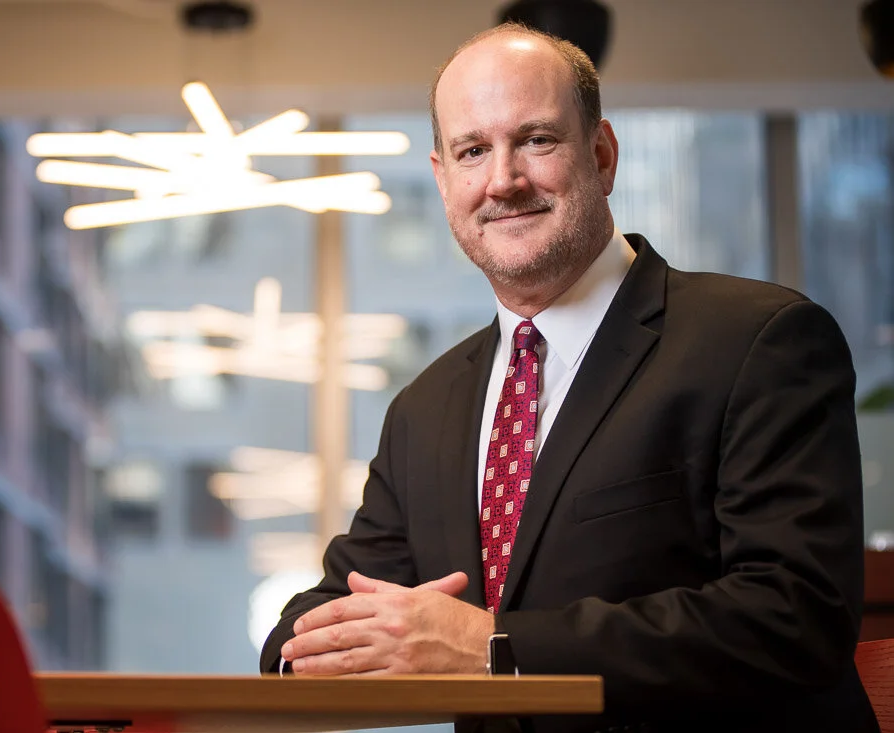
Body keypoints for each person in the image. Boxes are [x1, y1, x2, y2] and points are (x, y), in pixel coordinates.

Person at [260, 22, 879, 733]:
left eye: (536, 139)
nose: (503, 180)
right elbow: (308, 627)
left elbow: (796, 616)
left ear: (602, 155)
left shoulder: (759, 341)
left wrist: (492, 647)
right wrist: (306, 657)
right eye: (472, 151)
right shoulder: (423, 409)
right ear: (442, 179)